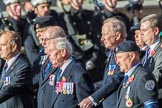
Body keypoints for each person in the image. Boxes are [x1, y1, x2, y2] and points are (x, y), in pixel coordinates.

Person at [79, 17, 126, 108]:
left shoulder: (124, 53)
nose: (102, 39)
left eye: (105, 34)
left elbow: (116, 80)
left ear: (117, 35)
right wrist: (90, 86)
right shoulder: (113, 52)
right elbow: (108, 80)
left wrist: (93, 98)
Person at [47, 37, 94, 108]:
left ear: (63, 52)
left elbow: (85, 103)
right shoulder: (59, 71)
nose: (48, 55)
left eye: (51, 51)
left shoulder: (78, 71)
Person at [115, 40, 159, 108]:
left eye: (120, 57)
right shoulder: (128, 77)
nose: (117, 62)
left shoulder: (143, 77)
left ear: (132, 56)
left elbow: (151, 106)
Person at [0, 31, 33, 108]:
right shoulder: (3, 64)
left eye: (3, 45)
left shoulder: (23, 66)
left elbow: (10, 89)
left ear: (14, 47)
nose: (0, 48)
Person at [23, 0, 60, 65]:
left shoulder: (55, 22)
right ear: (36, 10)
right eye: (43, 7)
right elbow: (30, 51)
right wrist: (39, 66)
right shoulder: (31, 27)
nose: (46, 9)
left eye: (48, 7)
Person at [140, 14, 162, 107]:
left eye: (144, 30)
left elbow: (157, 77)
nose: (141, 34)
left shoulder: (160, 51)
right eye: (141, 31)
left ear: (155, 31)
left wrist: (137, 85)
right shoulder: (146, 51)